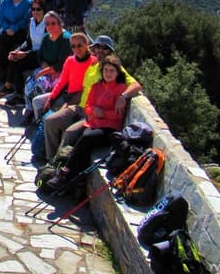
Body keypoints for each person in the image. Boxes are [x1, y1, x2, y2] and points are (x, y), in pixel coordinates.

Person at [45, 55, 129, 191]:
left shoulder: (120, 89)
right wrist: (93, 112)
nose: (108, 73)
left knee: (86, 139)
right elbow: (89, 105)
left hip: (109, 127)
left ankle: (65, 173)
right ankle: (75, 181)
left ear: (117, 72)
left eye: (112, 71)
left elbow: (118, 115)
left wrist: (103, 114)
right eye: (106, 70)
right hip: (93, 123)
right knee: (76, 139)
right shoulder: (97, 86)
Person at [49, 34, 143, 151]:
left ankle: (59, 164)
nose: (100, 50)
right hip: (80, 107)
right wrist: (67, 104)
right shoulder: (93, 66)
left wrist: (123, 96)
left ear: (110, 52)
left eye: (104, 48)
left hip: (92, 114)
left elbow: (136, 85)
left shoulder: (113, 70)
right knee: (50, 121)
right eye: (97, 47)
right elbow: (84, 90)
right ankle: (50, 158)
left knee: (70, 133)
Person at [37, 32, 96, 160]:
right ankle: (49, 156)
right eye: (73, 46)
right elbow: (62, 82)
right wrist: (51, 99)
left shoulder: (94, 63)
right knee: (43, 112)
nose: (76, 49)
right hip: (69, 98)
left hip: (81, 103)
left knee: (61, 125)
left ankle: (57, 160)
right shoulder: (70, 60)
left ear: (87, 45)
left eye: (80, 45)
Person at [19, 10, 71, 125]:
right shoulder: (47, 37)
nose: (50, 26)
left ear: (59, 23)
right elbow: (40, 55)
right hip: (46, 68)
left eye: (53, 23)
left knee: (40, 85)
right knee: (29, 83)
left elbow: (63, 63)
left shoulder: (66, 39)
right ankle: (29, 109)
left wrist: (46, 71)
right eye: (47, 24)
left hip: (59, 73)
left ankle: (37, 114)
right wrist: (43, 65)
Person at [1, 0, 49, 104]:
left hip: (42, 56)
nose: (35, 12)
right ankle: (16, 92)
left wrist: (25, 54)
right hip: (32, 53)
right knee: (14, 57)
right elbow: (28, 41)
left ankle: (15, 92)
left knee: (17, 62)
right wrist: (18, 51)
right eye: (33, 9)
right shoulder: (31, 22)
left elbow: (45, 47)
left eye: (38, 9)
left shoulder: (47, 25)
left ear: (44, 10)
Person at [0, 0, 32, 94]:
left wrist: (14, 28)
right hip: (5, 30)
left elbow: (25, 20)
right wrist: (6, 28)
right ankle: (2, 75)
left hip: (18, 33)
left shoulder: (27, 3)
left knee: (13, 51)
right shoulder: (5, 1)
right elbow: (0, 16)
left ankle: (9, 81)